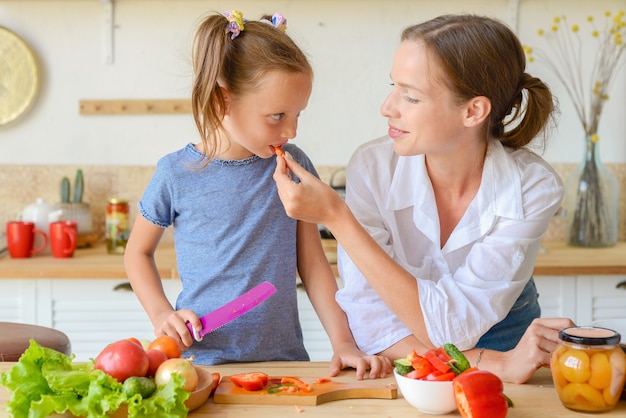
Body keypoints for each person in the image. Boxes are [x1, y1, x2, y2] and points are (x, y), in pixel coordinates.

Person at [273, 14, 576, 384]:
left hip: (509, 349)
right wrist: (492, 363)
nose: (388, 107)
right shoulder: (372, 168)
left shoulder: (531, 187)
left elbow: (454, 327)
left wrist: (339, 219)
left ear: (473, 111)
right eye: (393, 86)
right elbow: (370, 317)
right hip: (409, 355)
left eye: (410, 96)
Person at [124, 10, 390, 379]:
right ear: (223, 101)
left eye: (298, 115)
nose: (292, 130)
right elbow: (137, 253)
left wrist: (344, 342)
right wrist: (161, 314)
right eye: (277, 116)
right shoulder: (175, 173)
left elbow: (313, 266)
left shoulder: (293, 168)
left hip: (282, 366)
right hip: (200, 367)